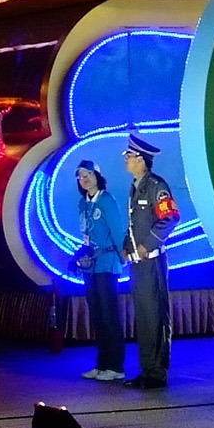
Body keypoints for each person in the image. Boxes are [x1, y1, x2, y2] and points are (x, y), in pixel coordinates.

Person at [121, 135, 179, 389]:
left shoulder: (156, 185)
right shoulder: (136, 187)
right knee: (144, 317)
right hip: (138, 264)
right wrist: (127, 246)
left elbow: (170, 217)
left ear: (142, 160)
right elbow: (134, 224)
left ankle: (157, 372)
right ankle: (147, 369)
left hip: (152, 262)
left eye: (130, 157)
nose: (126, 161)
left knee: (155, 316)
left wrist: (147, 245)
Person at [75, 160, 128, 381]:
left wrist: (123, 258)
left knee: (109, 315)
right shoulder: (83, 203)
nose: (85, 179)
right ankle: (102, 363)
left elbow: (118, 230)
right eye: (80, 176)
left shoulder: (106, 200)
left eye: (88, 174)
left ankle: (115, 367)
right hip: (91, 267)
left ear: (98, 176)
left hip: (107, 264)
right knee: (97, 315)